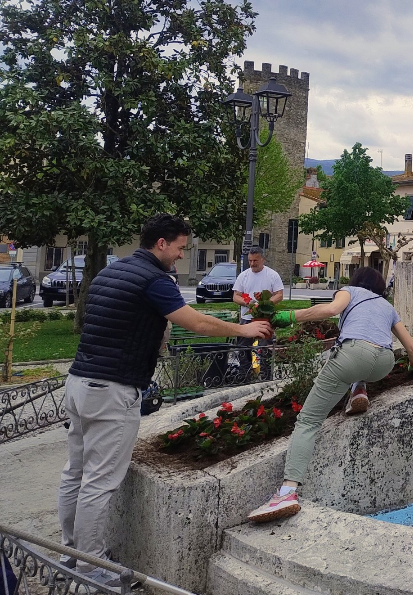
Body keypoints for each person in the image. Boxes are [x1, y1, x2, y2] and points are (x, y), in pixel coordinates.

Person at [59, 214, 273, 589]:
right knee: (99, 482)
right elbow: (197, 322)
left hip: (79, 383)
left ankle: (68, 551)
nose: (180, 255)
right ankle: (90, 566)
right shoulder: (154, 280)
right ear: (161, 243)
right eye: (179, 248)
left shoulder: (113, 271)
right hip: (113, 390)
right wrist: (244, 328)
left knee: (74, 473)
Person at [247, 266, 413, 523]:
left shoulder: (349, 291)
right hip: (384, 363)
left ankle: (287, 492)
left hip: (353, 355)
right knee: (359, 366)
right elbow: (412, 350)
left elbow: (331, 310)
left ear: (356, 281)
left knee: (308, 421)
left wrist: (290, 317)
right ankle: (359, 389)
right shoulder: (387, 307)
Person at [231, 246, 283, 380]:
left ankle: (266, 375)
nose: (252, 264)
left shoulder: (272, 275)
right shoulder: (244, 276)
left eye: (255, 261)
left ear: (262, 259)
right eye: (250, 261)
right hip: (246, 318)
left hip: (265, 318)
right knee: (243, 348)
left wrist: (264, 304)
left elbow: (279, 295)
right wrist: (248, 303)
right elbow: (236, 296)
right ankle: (245, 375)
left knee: (265, 348)